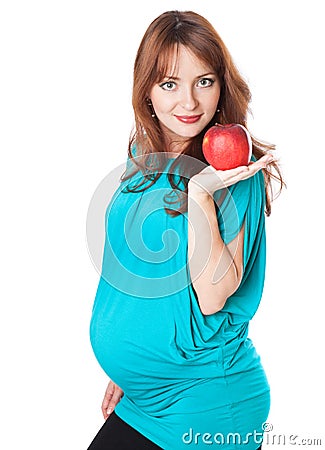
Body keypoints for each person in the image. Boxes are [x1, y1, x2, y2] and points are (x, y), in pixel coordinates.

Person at [87, 10, 284, 450]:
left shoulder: (232, 172)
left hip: (206, 403)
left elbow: (214, 296)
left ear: (222, 85)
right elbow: (137, 267)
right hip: (146, 398)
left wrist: (200, 195)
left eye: (205, 81)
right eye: (170, 84)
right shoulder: (144, 155)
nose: (189, 103)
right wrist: (131, 370)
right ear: (148, 92)